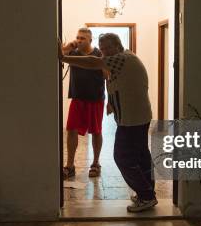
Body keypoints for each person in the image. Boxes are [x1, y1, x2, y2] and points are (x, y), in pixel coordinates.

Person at [58, 33, 157, 212]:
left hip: (133, 119)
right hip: (137, 116)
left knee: (122, 156)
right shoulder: (124, 58)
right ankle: (148, 194)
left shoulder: (123, 58)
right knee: (142, 156)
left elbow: (93, 62)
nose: (103, 53)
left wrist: (63, 57)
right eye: (101, 49)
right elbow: (116, 81)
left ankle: (146, 196)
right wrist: (111, 102)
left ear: (117, 46)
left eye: (106, 49)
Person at [61, 28, 106, 179]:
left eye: (83, 39)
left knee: (96, 131)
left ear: (90, 40)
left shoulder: (98, 54)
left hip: (96, 99)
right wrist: (69, 46)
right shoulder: (72, 53)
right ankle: (70, 165)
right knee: (71, 130)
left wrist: (111, 101)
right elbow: (57, 54)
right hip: (77, 98)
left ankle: (95, 163)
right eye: (78, 37)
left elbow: (108, 76)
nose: (79, 40)